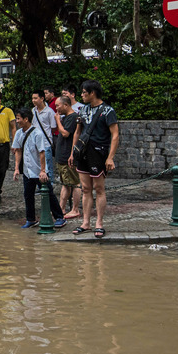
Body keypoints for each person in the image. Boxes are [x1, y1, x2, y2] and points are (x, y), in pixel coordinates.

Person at [68, 80, 119, 238]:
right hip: (83, 152)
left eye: (84, 92)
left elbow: (115, 134)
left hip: (99, 152)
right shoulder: (82, 110)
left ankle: (99, 223)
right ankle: (86, 222)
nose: (82, 95)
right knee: (85, 188)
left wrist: (110, 157)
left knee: (99, 188)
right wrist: (72, 153)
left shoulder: (108, 111)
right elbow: (77, 132)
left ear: (92, 93)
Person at [12, 107, 66, 229]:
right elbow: (18, 151)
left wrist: (42, 170)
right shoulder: (19, 134)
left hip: (39, 171)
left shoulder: (37, 134)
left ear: (26, 119)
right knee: (28, 195)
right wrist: (17, 168)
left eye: (19, 118)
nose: (17, 121)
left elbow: (42, 152)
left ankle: (59, 217)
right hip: (27, 171)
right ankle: (30, 219)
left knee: (49, 194)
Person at [54, 95, 82, 219]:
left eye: (58, 105)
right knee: (65, 183)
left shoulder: (73, 117)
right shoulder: (67, 117)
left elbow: (65, 133)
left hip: (68, 157)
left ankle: (75, 209)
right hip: (62, 156)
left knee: (74, 183)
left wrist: (57, 121)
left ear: (66, 105)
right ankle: (61, 208)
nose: (56, 108)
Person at [31, 90, 57, 179]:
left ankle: (50, 183)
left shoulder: (49, 111)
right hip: (35, 142)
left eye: (35, 98)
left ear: (42, 99)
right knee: (38, 165)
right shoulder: (33, 110)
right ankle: (40, 184)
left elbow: (53, 127)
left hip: (46, 142)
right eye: (32, 98)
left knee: (47, 166)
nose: (33, 100)